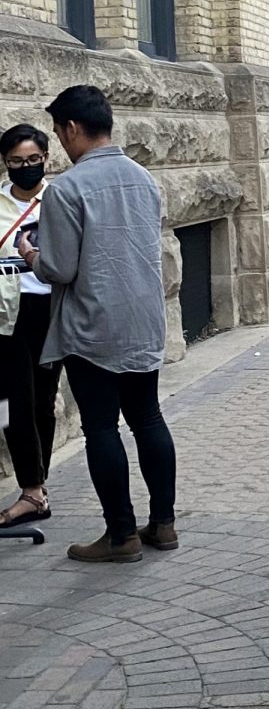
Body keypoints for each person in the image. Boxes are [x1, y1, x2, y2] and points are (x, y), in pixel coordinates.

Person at [17, 86, 177, 564]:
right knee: (147, 416)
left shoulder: (68, 187)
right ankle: (164, 524)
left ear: (70, 129)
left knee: (101, 426)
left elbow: (61, 269)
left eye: (58, 132)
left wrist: (32, 255)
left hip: (92, 324)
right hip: (144, 319)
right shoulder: (144, 178)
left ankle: (121, 534)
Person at [0, 124, 60, 530]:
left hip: (49, 309)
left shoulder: (57, 201)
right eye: (16, 162)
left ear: (45, 159)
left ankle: (36, 488)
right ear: (5, 164)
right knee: (8, 404)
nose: (25, 168)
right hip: (5, 312)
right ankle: (32, 489)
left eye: (32, 161)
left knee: (41, 401)